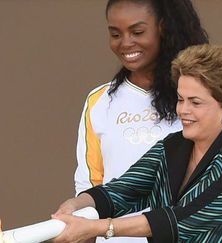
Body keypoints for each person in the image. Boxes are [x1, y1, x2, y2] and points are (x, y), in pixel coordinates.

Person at [53, 44, 222, 242]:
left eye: (195, 102)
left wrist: (96, 228)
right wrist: (75, 205)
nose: (183, 110)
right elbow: (122, 190)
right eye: (180, 99)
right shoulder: (172, 147)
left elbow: (182, 219)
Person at [74, 1, 208, 241]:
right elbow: (90, 183)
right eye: (115, 34)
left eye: (137, 32)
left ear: (163, 27)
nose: (125, 43)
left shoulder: (196, 98)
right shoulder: (99, 102)